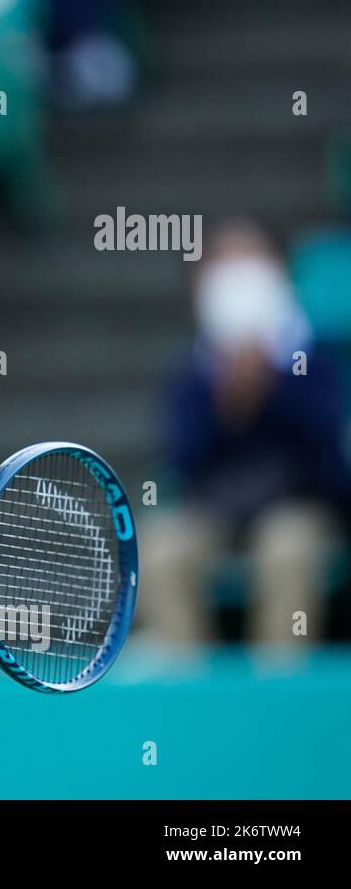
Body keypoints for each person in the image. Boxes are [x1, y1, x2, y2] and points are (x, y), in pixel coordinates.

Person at [140, 220, 350, 650]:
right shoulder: (193, 374)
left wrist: (272, 388)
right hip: (217, 511)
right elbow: (184, 460)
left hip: (297, 508)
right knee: (161, 548)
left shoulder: (312, 364)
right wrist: (228, 401)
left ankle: (278, 687)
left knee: (287, 549)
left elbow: (328, 462)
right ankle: (189, 684)